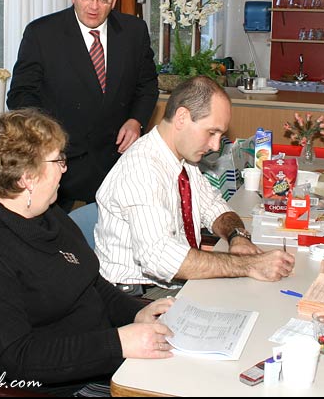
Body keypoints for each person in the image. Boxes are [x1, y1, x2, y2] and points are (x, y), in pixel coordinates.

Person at [0, 109, 174, 396]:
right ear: (27, 178)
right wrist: (118, 343)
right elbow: (20, 358)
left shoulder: (48, 215)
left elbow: (91, 284)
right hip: (55, 388)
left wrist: (138, 313)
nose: (65, 168)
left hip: (99, 364)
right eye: (58, 160)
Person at [95, 76, 294, 296]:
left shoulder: (182, 160)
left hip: (171, 284)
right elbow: (159, 258)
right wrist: (248, 265)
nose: (215, 145)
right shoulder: (142, 169)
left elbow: (215, 207)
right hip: (137, 296)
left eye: (220, 135)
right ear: (182, 118)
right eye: (211, 132)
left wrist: (237, 237)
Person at [7, 0, 159, 211]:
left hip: (117, 162)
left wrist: (136, 120)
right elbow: (21, 96)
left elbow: (147, 85)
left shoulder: (134, 31)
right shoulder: (42, 33)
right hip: (62, 165)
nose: (93, 7)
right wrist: (49, 140)